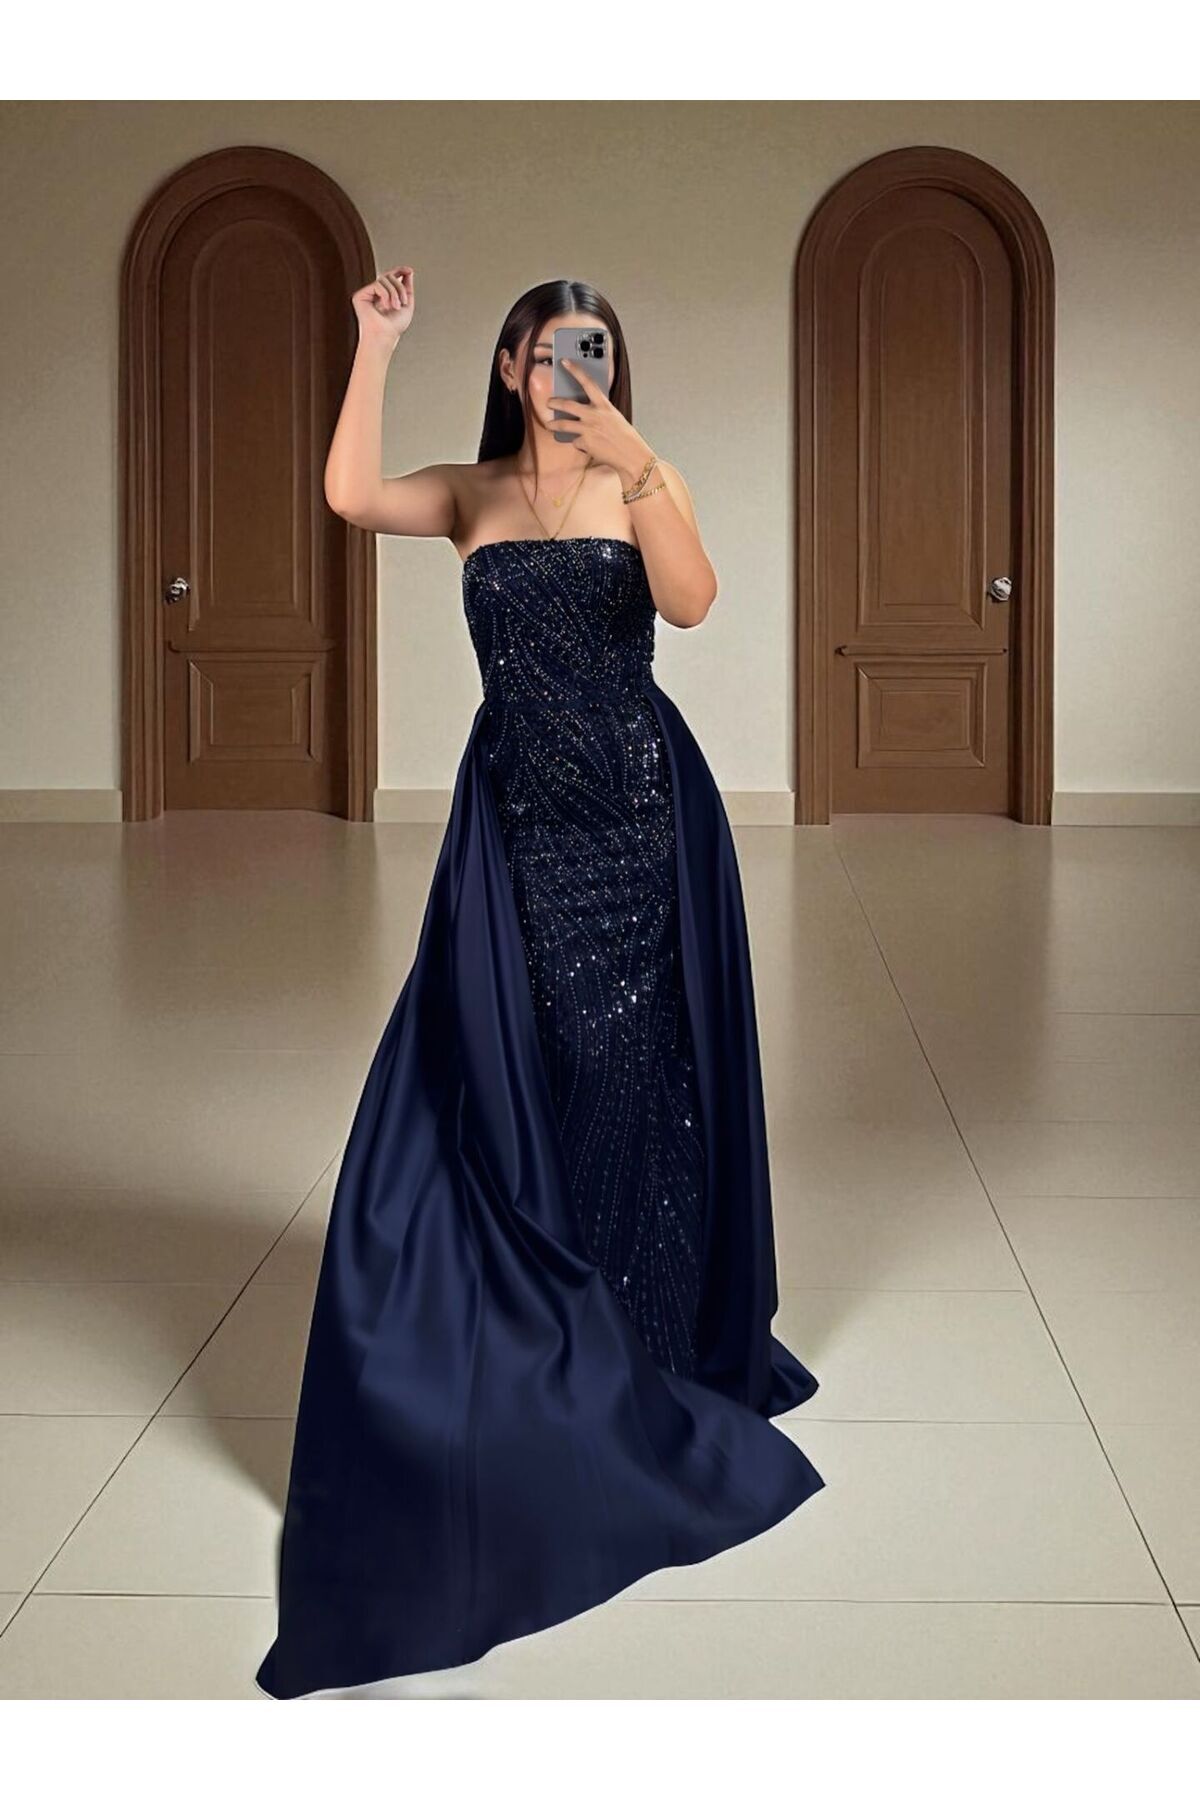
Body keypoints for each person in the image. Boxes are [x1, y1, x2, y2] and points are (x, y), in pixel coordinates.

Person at [254, 269, 825, 1701]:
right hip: (517, 827)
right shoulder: (470, 495)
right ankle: (542, 1328)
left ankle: (641, 1333)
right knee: (524, 1061)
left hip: (641, 820)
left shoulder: (640, 479)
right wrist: (375, 345)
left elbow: (692, 604)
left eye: (599, 352)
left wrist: (641, 462)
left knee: (637, 1065)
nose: (578, 371)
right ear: (512, 364)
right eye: (556, 350)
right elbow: (346, 494)